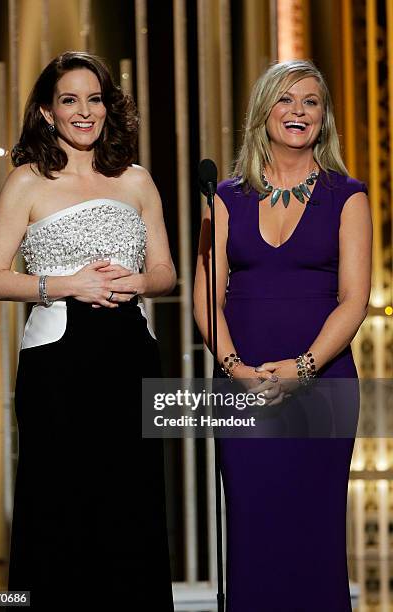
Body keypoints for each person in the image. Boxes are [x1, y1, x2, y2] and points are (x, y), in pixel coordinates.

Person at [0, 51, 176, 610]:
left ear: (108, 109)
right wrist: (67, 285)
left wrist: (137, 280)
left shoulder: (136, 181)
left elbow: (167, 272)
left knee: (132, 505)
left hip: (130, 356)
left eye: (95, 99)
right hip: (57, 365)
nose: (84, 112)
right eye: (70, 100)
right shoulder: (26, 182)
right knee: (59, 505)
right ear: (47, 111)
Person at [194, 59, 372, 611]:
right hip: (242, 388)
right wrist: (235, 369)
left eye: (311, 102)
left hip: (323, 387)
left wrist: (302, 369)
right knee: (253, 532)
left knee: (314, 535)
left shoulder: (350, 196)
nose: (298, 111)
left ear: (324, 118)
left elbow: (355, 300)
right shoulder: (222, 197)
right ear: (262, 112)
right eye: (286, 100)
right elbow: (207, 299)